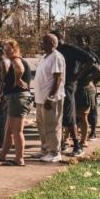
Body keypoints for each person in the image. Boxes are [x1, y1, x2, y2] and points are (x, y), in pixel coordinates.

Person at [49, 30, 94, 157]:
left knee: (69, 116)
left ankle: (77, 146)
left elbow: (91, 60)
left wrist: (78, 75)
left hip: (69, 84)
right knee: (61, 116)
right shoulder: (56, 52)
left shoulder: (70, 49)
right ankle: (62, 142)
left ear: (58, 39)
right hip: (60, 84)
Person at [0, 40, 30, 166]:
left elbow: (20, 68)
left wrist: (18, 79)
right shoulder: (13, 59)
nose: (6, 52)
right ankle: (3, 154)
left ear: (15, 49)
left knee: (17, 130)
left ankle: (19, 158)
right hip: (13, 98)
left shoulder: (15, 59)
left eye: (8, 49)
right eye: (5, 50)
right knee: (8, 129)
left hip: (18, 98)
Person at [34, 34, 65, 162]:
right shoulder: (45, 57)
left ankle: (55, 152)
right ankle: (46, 149)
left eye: (44, 42)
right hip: (41, 98)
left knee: (52, 125)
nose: (42, 44)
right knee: (42, 125)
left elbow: (58, 79)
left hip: (51, 99)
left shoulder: (56, 57)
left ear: (52, 43)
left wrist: (51, 97)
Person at [74, 35, 100, 148]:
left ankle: (92, 132)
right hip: (78, 87)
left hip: (87, 88)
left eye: (81, 41)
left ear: (87, 42)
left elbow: (99, 71)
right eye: (77, 41)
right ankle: (78, 135)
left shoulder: (90, 55)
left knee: (88, 113)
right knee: (77, 115)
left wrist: (89, 79)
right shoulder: (77, 54)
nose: (79, 44)